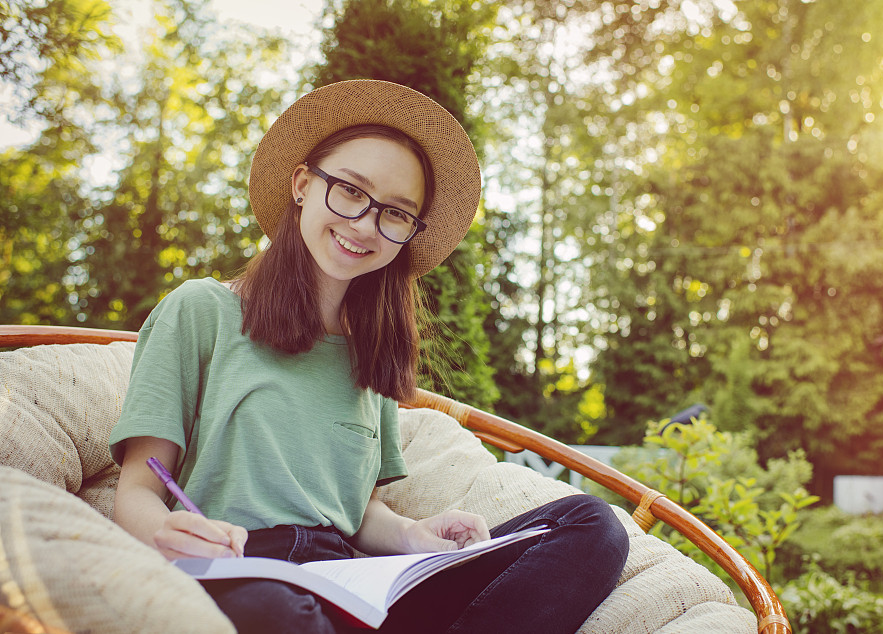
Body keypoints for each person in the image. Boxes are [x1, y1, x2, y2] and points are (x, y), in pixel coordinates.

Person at [109, 79, 629, 634]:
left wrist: (415, 535)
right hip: (242, 577)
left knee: (591, 524)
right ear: (303, 185)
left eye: (396, 213)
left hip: (352, 588)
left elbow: (357, 517)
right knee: (278, 611)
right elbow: (138, 492)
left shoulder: (370, 355)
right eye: (352, 191)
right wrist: (170, 535)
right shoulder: (200, 311)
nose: (364, 225)